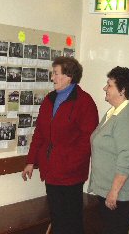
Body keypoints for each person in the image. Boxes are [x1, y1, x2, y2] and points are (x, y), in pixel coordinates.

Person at [22, 56, 99, 234]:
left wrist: (69, 163)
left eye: (56, 73)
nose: (52, 78)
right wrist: (31, 161)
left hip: (71, 174)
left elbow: (88, 140)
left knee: (71, 222)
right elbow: (40, 133)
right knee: (57, 219)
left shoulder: (84, 102)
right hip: (51, 171)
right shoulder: (49, 99)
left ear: (69, 76)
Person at [88, 66, 129, 234]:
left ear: (123, 90)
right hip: (111, 191)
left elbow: (127, 158)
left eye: (109, 85)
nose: (105, 88)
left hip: (122, 194)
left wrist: (114, 192)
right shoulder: (114, 113)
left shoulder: (127, 118)